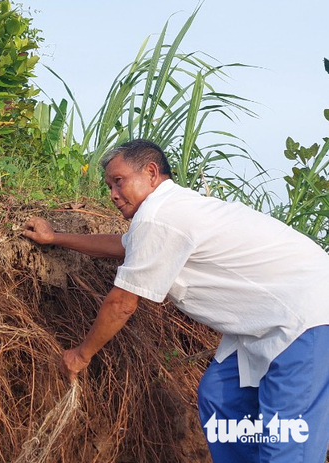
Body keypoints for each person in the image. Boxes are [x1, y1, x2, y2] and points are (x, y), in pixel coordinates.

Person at [22, 139, 329, 463]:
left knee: (288, 439)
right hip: (265, 320)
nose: (112, 193)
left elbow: (122, 303)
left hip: (304, 314)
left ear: (151, 172)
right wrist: (54, 237)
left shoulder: (160, 216)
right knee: (221, 398)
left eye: (119, 181)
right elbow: (125, 245)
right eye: (109, 185)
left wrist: (81, 356)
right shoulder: (165, 213)